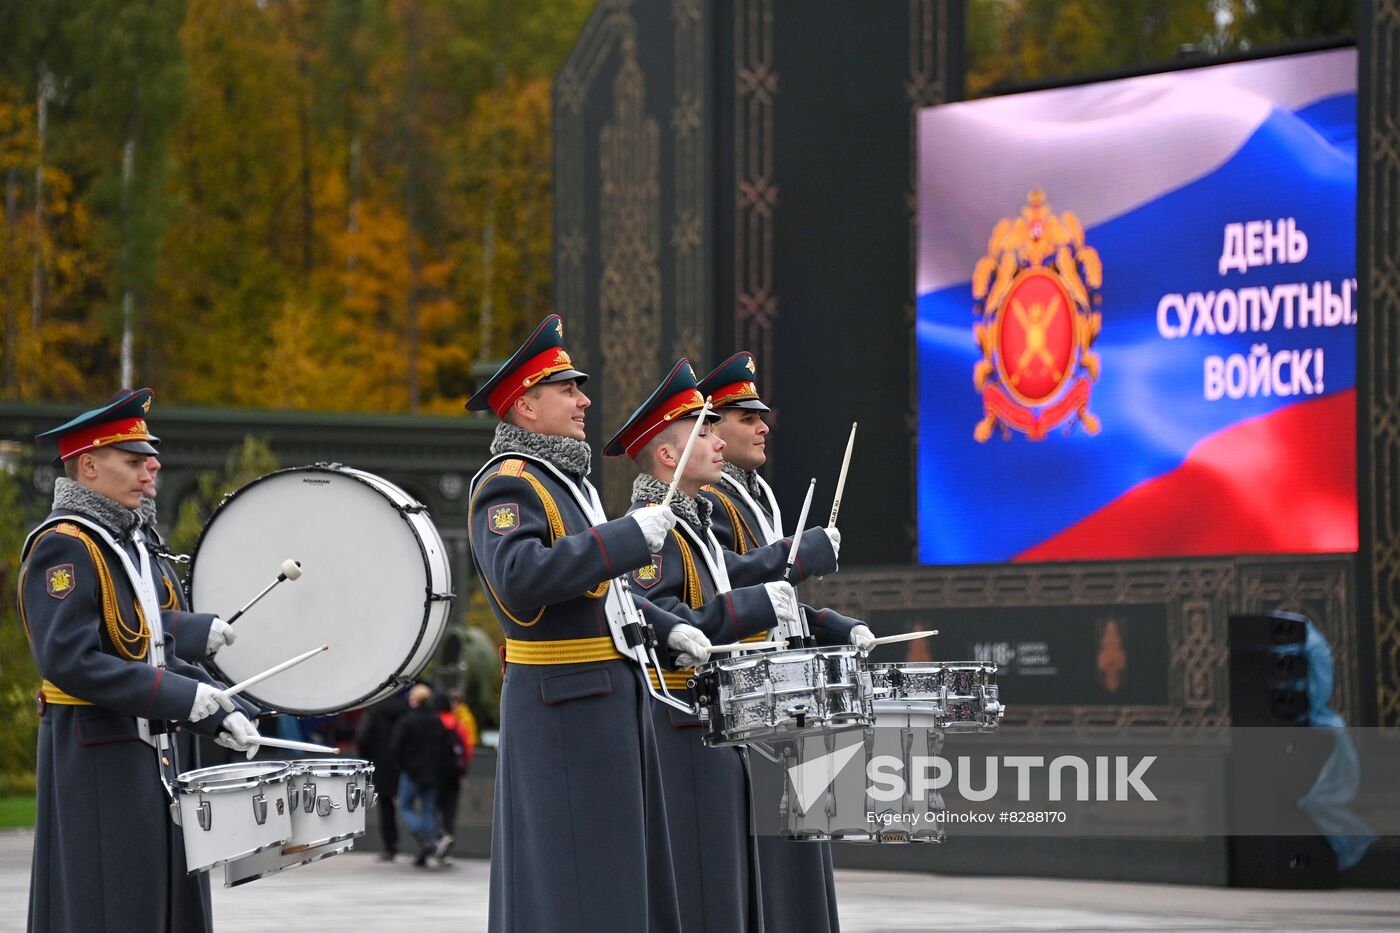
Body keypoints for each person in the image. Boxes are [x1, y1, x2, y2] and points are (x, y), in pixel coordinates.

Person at [466, 314, 709, 933]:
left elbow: (606, 596)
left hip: (600, 701)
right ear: (525, 406)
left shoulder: (564, 482)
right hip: (564, 706)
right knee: (575, 882)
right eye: (568, 389)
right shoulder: (507, 484)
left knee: (614, 880)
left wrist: (663, 625)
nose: (584, 400)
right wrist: (626, 538)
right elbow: (520, 580)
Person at [603, 359, 842, 932]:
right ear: (668, 456)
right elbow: (669, 614)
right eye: (706, 430)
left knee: (743, 884)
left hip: (728, 721)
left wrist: (827, 621)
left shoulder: (697, 522)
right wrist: (771, 591)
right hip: (688, 723)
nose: (719, 440)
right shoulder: (655, 527)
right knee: (708, 885)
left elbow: (730, 582)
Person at [18, 388, 261, 933]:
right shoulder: (68, 545)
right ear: (88, 466)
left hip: (148, 749)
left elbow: (154, 646)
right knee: (111, 904)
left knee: (162, 905)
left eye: (149, 458)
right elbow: (69, 660)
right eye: (133, 460)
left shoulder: (125, 541)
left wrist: (222, 707)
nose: (152, 467)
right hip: (97, 753)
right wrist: (184, 698)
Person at [698, 351, 875, 933]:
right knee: (777, 854)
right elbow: (721, 582)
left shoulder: (753, 494)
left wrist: (833, 625)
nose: (761, 426)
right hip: (754, 691)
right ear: (713, 427)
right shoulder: (709, 498)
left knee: (803, 846)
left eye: (760, 416)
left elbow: (775, 600)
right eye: (746, 417)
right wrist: (796, 558)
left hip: (786, 691)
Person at [390, 683, 453, 867]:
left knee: (404, 806)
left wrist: (403, 766)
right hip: (432, 773)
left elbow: (395, 747)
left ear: (414, 699)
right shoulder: (436, 720)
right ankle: (429, 843)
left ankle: (424, 839)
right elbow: (445, 748)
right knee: (428, 809)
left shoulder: (407, 721)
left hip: (412, 772)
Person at [356, 689, 410, 861]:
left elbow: (363, 738)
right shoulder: (406, 709)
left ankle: (390, 846)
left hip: (382, 764)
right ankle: (426, 841)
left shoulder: (374, 711)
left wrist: (367, 757)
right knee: (415, 804)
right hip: (406, 765)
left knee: (386, 806)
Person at [433, 691, 472, 858]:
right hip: (453, 774)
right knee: (450, 808)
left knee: (433, 808)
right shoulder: (457, 724)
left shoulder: (433, 722)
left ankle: (437, 841)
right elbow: (467, 749)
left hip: (434, 773)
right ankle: (448, 836)